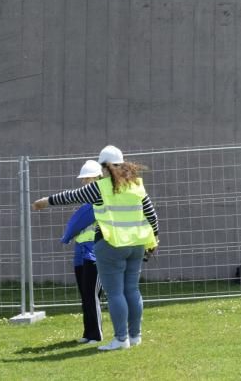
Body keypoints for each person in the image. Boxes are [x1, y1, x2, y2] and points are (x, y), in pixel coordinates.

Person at [33, 145, 159, 351]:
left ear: (104, 167)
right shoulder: (137, 186)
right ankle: (135, 336)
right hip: (136, 245)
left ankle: (120, 339)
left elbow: (71, 196)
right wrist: (154, 241)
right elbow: (152, 216)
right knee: (132, 290)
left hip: (110, 246)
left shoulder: (100, 188)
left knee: (115, 293)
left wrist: (44, 201)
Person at [60, 159, 104, 345]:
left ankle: (96, 334)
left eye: (89, 179)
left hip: (95, 253)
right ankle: (88, 333)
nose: (85, 183)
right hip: (81, 252)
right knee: (85, 294)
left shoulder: (99, 199)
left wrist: (66, 236)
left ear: (99, 177)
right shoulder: (86, 200)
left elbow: (76, 224)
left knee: (92, 294)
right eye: (84, 180)